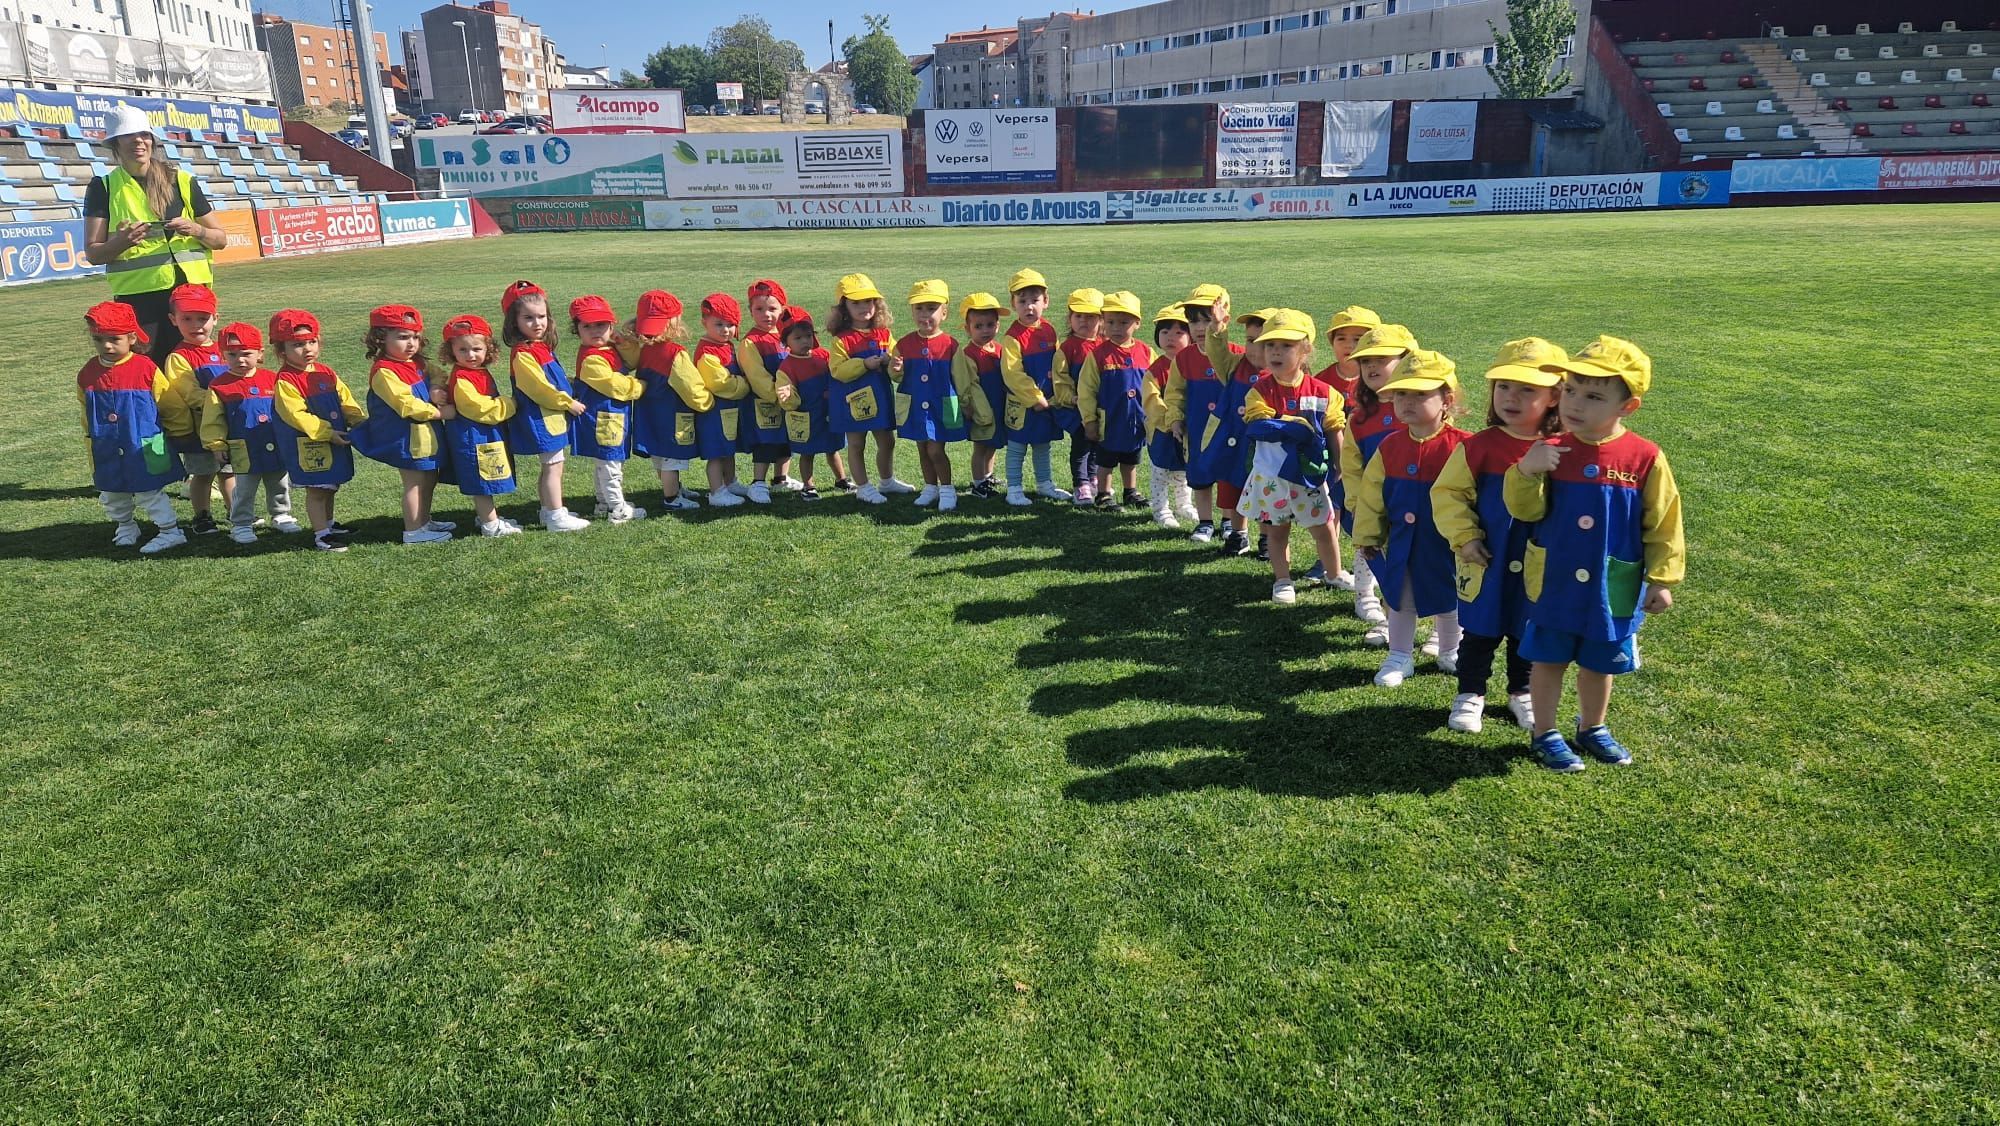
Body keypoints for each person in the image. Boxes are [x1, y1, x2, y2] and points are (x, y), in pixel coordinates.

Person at [1505, 336, 1684, 773]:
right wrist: (1527, 471)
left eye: (1593, 396)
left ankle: (1592, 727)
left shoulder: (1645, 457)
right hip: (1555, 578)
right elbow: (1522, 509)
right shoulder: (1550, 449)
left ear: (1628, 406)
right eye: (1569, 391)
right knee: (1548, 658)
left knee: (1598, 659)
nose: (1575, 404)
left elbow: (1663, 520)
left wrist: (1662, 578)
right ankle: (1544, 732)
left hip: (1613, 582)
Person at [1429, 338, 1567, 733]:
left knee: (1529, 627)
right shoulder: (1480, 446)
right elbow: (1448, 493)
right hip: (1485, 558)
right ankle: (1469, 694)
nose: (1512, 397)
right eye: (1504, 386)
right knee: (1480, 630)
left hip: (1540, 561)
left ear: (1556, 396)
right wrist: (1465, 537)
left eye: (1528, 389)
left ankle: (1521, 691)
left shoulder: (1562, 449)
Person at [1354, 349, 1469, 687]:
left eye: (1420, 394)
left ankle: (1451, 648)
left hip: (1446, 541)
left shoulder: (1463, 446)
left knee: (1450, 596)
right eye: (1402, 393)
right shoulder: (1389, 446)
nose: (1407, 401)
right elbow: (1371, 493)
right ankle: (1399, 654)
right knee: (1399, 597)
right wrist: (1367, 534)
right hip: (1402, 540)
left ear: (1446, 399)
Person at [81, 105, 227, 361]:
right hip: (140, 302)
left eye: (144, 135)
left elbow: (220, 239)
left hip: (191, 297)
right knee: (151, 374)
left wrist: (197, 229)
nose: (139, 140)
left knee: (197, 372)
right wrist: (120, 242)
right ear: (115, 143)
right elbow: (93, 254)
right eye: (129, 135)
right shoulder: (102, 187)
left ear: (152, 140)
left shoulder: (183, 181)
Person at [1237, 310, 1345, 605]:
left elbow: (1334, 429)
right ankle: (1282, 580)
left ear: (1306, 348)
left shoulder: (1325, 392)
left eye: (1286, 345)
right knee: (1276, 530)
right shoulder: (1259, 390)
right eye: (1270, 345)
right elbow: (1259, 425)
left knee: (1323, 527)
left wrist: (1340, 464)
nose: (1275, 352)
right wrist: (1296, 427)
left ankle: (1334, 572)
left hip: (1309, 475)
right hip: (1272, 476)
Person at [76, 301, 188, 553]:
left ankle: (170, 531)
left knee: (150, 490)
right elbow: (85, 408)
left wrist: (181, 431)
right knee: (111, 491)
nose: (106, 345)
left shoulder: (145, 367)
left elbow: (169, 402)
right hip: (105, 444)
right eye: (99, 339)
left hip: (145, 442)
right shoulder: (88, 373)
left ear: (132, 338)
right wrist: (90, 438)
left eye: (114, 339)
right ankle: (126, 526)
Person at [1341, 323, 1419, 644]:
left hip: (1415, 505)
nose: (1371, 366)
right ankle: (1380, 613)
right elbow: (1351, 465)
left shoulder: (1421, 407)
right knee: (1378, 560)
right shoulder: (1359, 419)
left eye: (1381, 359)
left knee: (1424, 565)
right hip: (1375, 507)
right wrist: (1359, 504)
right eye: (1365, 361)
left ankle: (1445, 630)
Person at [353, 304, 453, 544]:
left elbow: (439, 373)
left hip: (425, 435)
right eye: (402, 337)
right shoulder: (385, 371)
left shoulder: (416, 363)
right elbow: (405, 405)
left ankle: (424, 520)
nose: (411, 344)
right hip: (404, 437)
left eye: (416, 337)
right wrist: (441, 413)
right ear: (380, 339)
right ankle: (413, 531)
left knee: (429, 477)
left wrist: (436, 387)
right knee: (414, 482)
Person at [269, 309, 366, 552]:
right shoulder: (286, 380)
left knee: (331, 484)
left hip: (334, 438)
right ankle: (321, 535)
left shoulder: (325, 372)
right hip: (311, 443)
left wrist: (357, 420)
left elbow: (345, 398)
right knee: (317, 489)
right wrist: (326, 432)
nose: (307, 349)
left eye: (312, 342)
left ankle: (330, 523)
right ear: (282, 351)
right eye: (298, 344)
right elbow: (296, 415)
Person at [1298, 305, 1378, 589]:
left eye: (1359, 338)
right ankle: (1326, 561)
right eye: (1342, 338)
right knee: (1330, 509)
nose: (1350, 345)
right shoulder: (1322, 381)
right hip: (1333, 460)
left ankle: (1372, 564)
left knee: (1368, 512)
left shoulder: (1379, 380)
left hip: (1371, 459)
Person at [200, 321, 300, 545]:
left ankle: (281, 515)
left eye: (246, 353)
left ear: (260, 353)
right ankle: (242, 524)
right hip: (243, 447)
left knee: (280, 483)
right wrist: (216, 445)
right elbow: (212, 419)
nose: (240, 360)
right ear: (223, 355)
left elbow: (289, 409)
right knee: (244, 489)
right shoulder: (219, 386)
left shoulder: (274, 379)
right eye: (232, 354)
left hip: (275, 443)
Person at [501, 280, 589, 532]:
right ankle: (555, 515)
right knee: (552, 466)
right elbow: (538, 388)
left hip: (550, 416)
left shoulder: (540, 348)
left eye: (542, 316)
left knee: (554, 465)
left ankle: (548, 510)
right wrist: (568, 402)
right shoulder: (524, 352)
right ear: (513, 321)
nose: (537, 323)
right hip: (540, 417)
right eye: (528, 318)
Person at [826, 273, 912, 504]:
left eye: (869, 301)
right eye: (856, 303)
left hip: (880, 396)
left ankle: (887, 480)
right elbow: (837, 370)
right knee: (856, 443)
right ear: (844, 307)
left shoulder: (884, 333)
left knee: (887, 440)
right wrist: (863, 364)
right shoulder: (842, 340)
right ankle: (863, 487)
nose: (864, 307)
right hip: (852, 398)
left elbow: (896, 361)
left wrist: (894, 363)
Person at [1164, 283, 1241, 541]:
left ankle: (1229, 520)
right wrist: (1175, 418)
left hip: (1228, 428)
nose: (1198, 328)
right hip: (1197, 427)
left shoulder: (1235, 355)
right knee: (1199, 473)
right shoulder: (1184, 358)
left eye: (1206, 320)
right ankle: (1205, 522)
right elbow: (1174, 392)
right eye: (1193, 321)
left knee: (1228, 474)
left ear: (1223, 319)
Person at [440, 313, 525, 538]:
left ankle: (487, 516)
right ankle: (490, 525)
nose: (471, 355)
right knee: (482, 479)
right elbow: (478, 408)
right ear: (451, 352)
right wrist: (509, 404)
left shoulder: (476, 372)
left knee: (489, 475)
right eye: (463, 350)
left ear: (488, 349)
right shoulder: (462, 378)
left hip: (484, 433)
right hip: (473, 435)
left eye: (477, 349)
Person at [1198, 305, 1274, 556]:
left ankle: (1266, 538)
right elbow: (1217, 353)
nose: (1255, 349)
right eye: (1251, 341)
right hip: (1233, 441)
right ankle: (1239, 535)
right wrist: (1217, 328)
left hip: (1264, 446)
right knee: (1234, 486)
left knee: (1265, 490)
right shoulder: (1234, 366)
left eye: (1265, 342)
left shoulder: (1280, 374)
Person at [623, 289, 706, 512]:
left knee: (660, 457)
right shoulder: (674, 353)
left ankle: (675, 489)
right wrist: (705, 402)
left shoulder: (645, 349)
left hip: (649, 413)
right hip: (671, 414)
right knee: (672, 458)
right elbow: (689, 385)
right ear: (674, 322)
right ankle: (671, 498)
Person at [894, 279, 972, 511]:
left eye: (931, 309)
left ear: (944, 313)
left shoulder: (950, 344)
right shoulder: (904, 343)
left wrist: (965, 402)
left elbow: (961, 377)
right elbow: (897, 377)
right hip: (916, 404)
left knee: (936, 449)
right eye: (919, 308)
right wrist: (896, 369)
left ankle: (947, 489)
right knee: (921, 448)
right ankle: (930, 487)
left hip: (943, 405)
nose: (924, 314)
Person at [159, 283, 231, 534]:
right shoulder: (179, 357)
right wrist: (222, 402)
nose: (196, 325)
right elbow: (187, 392)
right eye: (187, 318)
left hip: (230, 425)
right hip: (200, 428)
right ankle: (202, 516)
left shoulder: (225, 351)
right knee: (203, 474)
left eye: (203, 318)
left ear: (215, 318)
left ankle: (237, 513)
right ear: (173, 320)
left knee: (229, 472)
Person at [569, 295, 646, 523]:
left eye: (601, 325)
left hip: (612, 415)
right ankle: (617, 507)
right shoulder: (591, 359)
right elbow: (616, 386)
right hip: (602, 417)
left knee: (607, 461)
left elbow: (633, 361)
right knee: (610, 462)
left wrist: (623, 343)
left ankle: (604, 502)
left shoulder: (608, 349)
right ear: (577, 330)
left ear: (611, 326)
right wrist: (640, 386)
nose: (595, 331)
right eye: (587, 326)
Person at [999, 268, 1072, 506]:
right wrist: (1034, 397)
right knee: (1017, 447)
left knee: (1042, 445)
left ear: (1046, 302)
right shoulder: (1012, 337)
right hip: (1023, 404)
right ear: (1013, 303)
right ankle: (1014, 488)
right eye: (1022, 301)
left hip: (1047, 402)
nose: (1029, 307)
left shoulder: (1049, 330)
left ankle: (1044, 484)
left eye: (1035, 300)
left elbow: (1059, 362)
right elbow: (1012, 374)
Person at [1075, 290, 1151, 509]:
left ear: (1137, 323)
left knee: (1131, 459)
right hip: (1110, 419)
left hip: (1136, 418)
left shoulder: (1146, 352)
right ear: (1103, 322)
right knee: (1106, 460)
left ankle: (1130, 491)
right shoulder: (1099, 355)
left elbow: (1156, 384)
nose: (1116, 328)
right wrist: (1089, 420)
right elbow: (1086, 389)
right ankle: (1103, 494)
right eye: (1111, 322)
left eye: (1124, 322)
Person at [774, 306, 847, 499]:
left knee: (833, 448)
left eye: (807, 335)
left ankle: (841, 480)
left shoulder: (823, 355)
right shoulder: (787, 366)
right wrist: (787, 394)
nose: (805, 341)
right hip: (807, 417)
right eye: (797, 338)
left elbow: (837, 374)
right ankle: (808, 485)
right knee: (808, 453)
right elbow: (786, 395)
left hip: (828, 414)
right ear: (785, 341)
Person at [736, 278, 799, 499]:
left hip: (787, 398)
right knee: (765, 441)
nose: (767, 314)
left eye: (773, 309)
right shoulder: (750, 342)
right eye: (759, 309)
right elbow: (756, 376)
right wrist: (777, 395)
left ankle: (781, 478)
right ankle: (758, 482)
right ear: (750, 311)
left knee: (786, 438)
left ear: (783, 309)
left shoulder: (786, 336)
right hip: (764, 402)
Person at [691, 294, 753, 507]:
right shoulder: (708, 351)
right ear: (704, 322)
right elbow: (720, 383)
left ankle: (731, 482)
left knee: (728, 448)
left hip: (728, 409)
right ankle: (717, 491)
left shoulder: (725, 345)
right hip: (714, 410)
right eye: (719, 324)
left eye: (730, 325)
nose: (725, 330)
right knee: (716, 452)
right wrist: (744, 384)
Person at [1141, 302, 1198, 529]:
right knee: (1161, 471)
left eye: (1178, 332)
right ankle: (1161, 509)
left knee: (1184, 471)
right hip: (1162, 431)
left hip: (1188, 429)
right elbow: (1152, 401)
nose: (1170, 337)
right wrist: (1170, 422)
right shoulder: (1155, 370)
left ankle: (1184, 504)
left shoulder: (1193, 365)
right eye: (1165, 332)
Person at [1058, 287, 1104, 505]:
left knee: (1097, 443)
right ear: (1070, 318)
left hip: (1100, 406)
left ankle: (1094, 477)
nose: (1084, 321)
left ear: (1101, 319)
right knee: (1081, 445)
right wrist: (1072, 398)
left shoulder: (1104, 346)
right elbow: (1060, 379)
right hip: (1076, 408)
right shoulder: (1068, 347)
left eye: (1091, 316)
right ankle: (1081, 483)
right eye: (1078, 316)